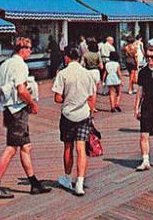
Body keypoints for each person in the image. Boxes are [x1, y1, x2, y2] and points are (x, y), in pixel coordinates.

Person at [0, 37, 50, 199]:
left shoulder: (6, 64)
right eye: (29, 48)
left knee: (25, 146)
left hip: (9, 108)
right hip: (17, 110)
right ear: (21, 49)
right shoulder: (20, 65)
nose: (31, 51)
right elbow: (21, 89)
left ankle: (34, 183)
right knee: (12, 148)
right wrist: (32, 104)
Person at [53, 46, 96, 196]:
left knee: (67, 148)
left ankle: (67, 177)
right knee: (81, 149)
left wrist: (68, 98)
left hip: (68, 115)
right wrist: (90, 111)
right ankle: (80, 183)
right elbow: (91, 97)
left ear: (66, 58)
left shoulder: (62, 74)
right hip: (83, 114)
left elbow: (57, 98)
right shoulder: (87, 74)